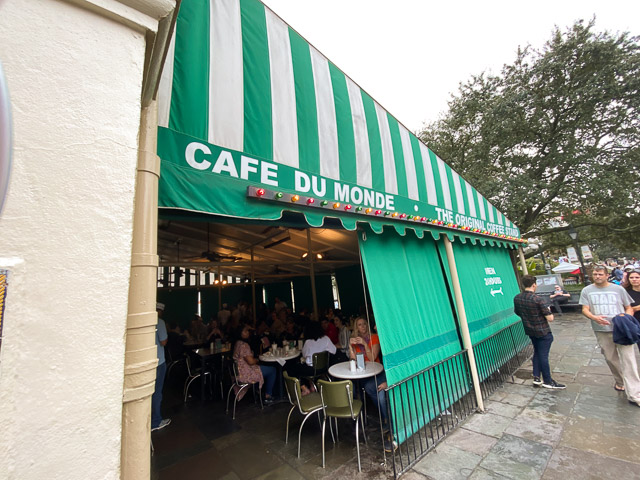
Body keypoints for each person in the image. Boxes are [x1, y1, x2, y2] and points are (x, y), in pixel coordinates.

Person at [579, 265, 634, 393]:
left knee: (628, 358)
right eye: (595, 274)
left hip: (621, 328)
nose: (597, 277)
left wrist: (626, 318)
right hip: (601, 329)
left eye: (600, 274)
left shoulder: (618, 289)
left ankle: (633, 385)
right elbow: (584, 309)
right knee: (610, 358)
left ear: (607, 275)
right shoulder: (587, 290)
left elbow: (629, 307)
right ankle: (620, 381)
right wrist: (594, 317)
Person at [513, 275, 565, 389]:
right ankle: (547, 380)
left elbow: (517, 312)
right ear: (534, 285)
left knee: (537, 352)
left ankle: (537, 377)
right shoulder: (538, 299)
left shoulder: (517, 298)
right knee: (543, 355)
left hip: (530, 330)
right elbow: (550, 318)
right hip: (543, 331)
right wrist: (548, 311)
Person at [286, 321, 336, 394]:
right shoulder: (326, 339)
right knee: (308, 364)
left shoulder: (308, 342)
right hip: (324, 368)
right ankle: (312, 386)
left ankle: (304, 388)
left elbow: (304, 355)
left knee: (291, 368)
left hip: (311, 369)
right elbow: (334, 350)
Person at [233, 324, 276, 404]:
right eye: (245, 331)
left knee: (262, 368)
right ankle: (268, 395)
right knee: (272, 370)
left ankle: (257, 390)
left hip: (239, 373)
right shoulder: (243, 345)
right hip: (247, 374)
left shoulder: (237, 344)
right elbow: (251, 362)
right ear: (240, 333)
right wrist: (257, 359)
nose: (248, 333)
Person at [152, 303, 171, 431]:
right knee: (157, 392)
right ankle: (156, 421)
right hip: (159, 362)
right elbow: (163, 342)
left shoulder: (145, 321)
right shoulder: (160, 322)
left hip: (147, 362)